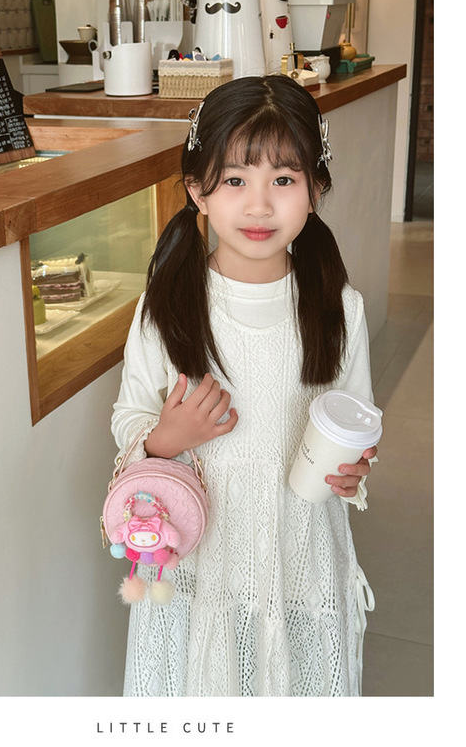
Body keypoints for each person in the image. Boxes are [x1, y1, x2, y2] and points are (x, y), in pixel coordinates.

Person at [111, 74, 378, 697]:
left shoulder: (340, 309)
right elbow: (129, 415)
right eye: (235, 180)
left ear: (315, 190)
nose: (259, 206)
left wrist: (356, 469)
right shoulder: (167, 307)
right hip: (202, 557)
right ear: (197, 191)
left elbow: (359, 421)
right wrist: (165, 438)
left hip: (300, 550)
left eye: (283, 180)